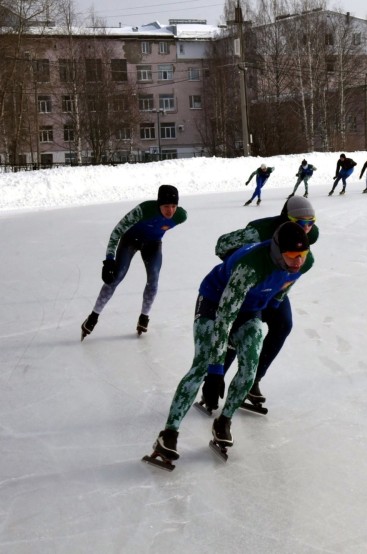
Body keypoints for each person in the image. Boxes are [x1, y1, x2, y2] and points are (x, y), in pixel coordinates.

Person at [148, 222, 310, 464]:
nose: (298, 262)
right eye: (291, 255)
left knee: (250, 367)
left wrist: (273, 305)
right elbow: (224, 319)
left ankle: (224, 421)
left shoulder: (302, 263)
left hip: (249, 309)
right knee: (201, 365)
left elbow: (284, 287)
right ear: (277, 252)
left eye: (302, 255)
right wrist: (216, 372)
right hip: (215, 304)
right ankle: (168, 434)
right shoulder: (250, 267)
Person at [209, 197, 318, 411]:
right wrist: (241, 264)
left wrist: (278, 297)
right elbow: (222, 244)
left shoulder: (310, 234)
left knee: (283, 325)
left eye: (311, 222)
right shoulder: (260, 231)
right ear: (286, 218)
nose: (306, 228)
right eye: (300, 222)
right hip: (249, 284)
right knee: (237, 329)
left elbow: (298, 267)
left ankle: (253, 381)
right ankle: (214, 378)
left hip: (273, 287)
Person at [80, 185, 187, 340]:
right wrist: (109, 260)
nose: (170, 211)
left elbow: (162, 224)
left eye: (173, 206)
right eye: (165, 206)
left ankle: (144, 317)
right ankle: (93, 317)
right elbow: (117, 232)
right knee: (116, 277)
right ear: (158, 205)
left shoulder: (181, 216)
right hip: (130, 241)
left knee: (154, 278)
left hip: (152, 244)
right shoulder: (143, 210)